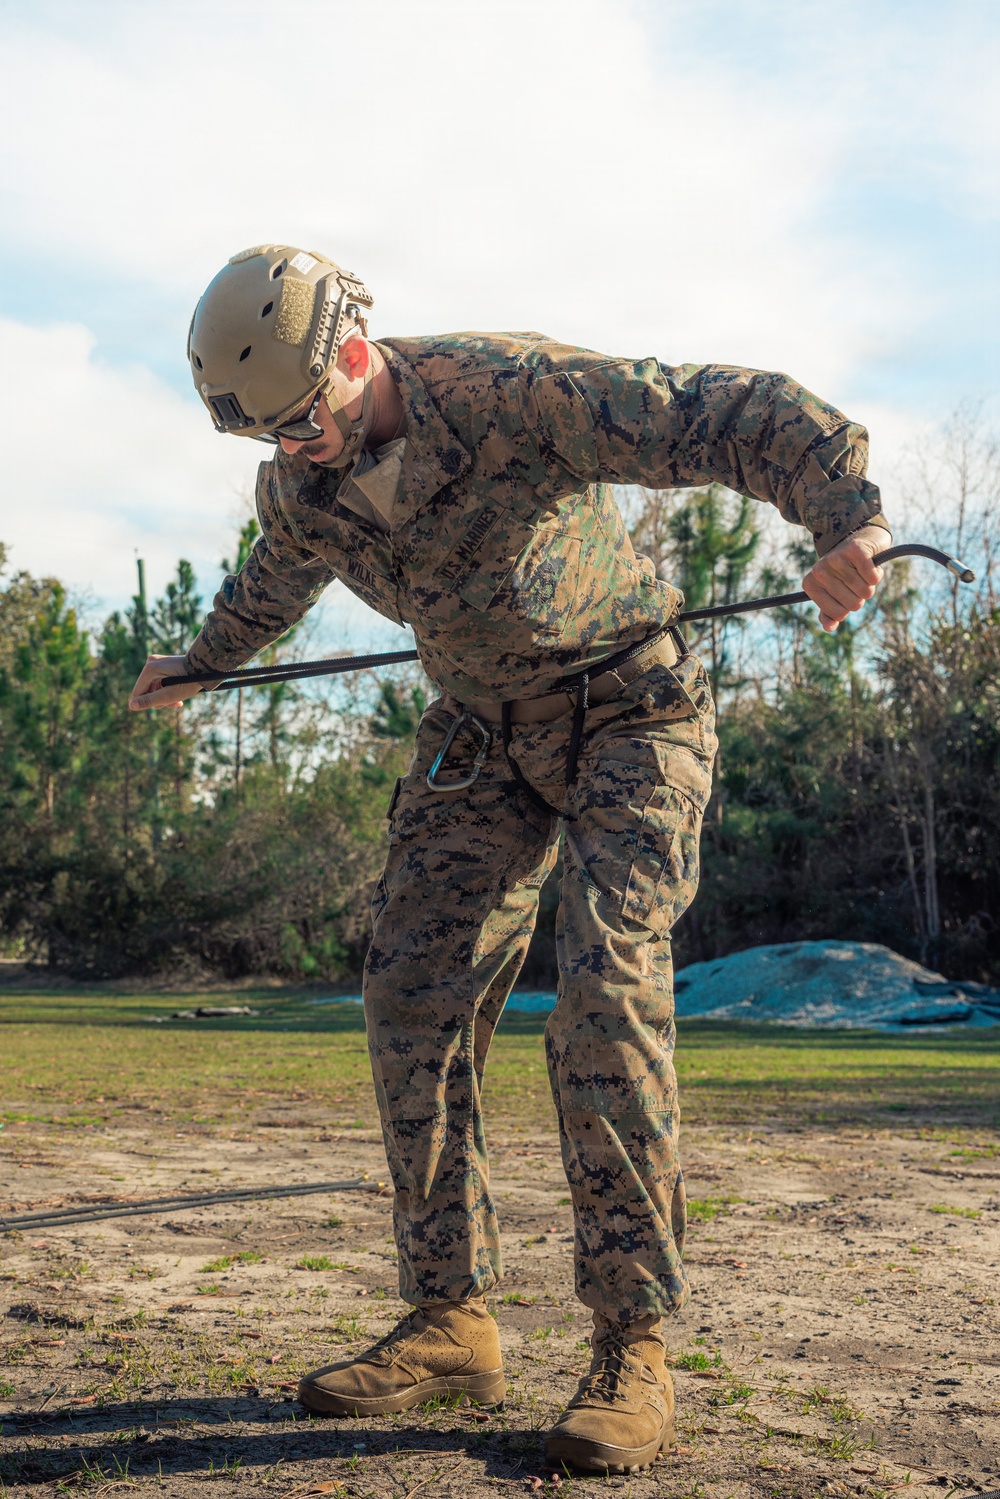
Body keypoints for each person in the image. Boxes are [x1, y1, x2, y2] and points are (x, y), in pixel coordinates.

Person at [130, 244, 890, 1474]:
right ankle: (449, 1318)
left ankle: (631, 1345)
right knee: (409, 990)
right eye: (268, 437)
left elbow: (723, 411)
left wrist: (846, 520)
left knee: (603, 992)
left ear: (357, 356)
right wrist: (207, 657)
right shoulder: (299, 481)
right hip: (482, 734)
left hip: (630, 710)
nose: (294, 450)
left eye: (306, 420)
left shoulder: (506, 391)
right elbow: (278, 571)